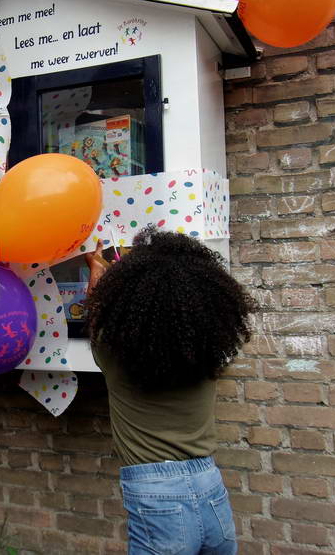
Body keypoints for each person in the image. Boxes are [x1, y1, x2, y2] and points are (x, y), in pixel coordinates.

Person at [84, 226, 257, 555]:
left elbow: (96, 312)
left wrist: (97, 270)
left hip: (155, 494)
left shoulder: (112, 350)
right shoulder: (211, 352)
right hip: (210, 485)